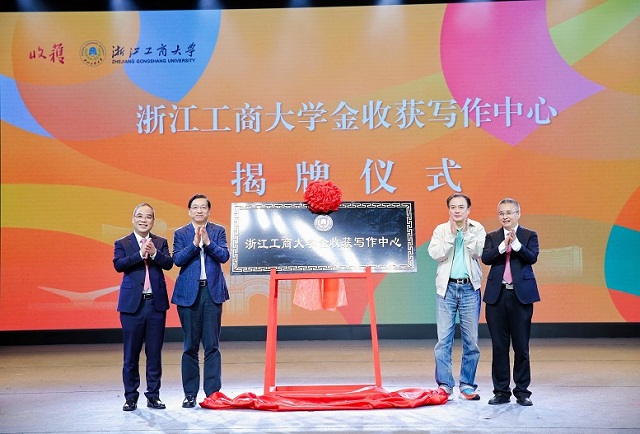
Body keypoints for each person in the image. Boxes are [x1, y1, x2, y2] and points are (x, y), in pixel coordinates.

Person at [113, 203, 173, 411]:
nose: (143, 220)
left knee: (154, 354)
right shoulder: (123, 243)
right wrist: (139, 254)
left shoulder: (160, 242)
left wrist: (155, 253)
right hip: (132, 306)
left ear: (153, 221)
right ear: (133, 219)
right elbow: (119, 265)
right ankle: (131, 397)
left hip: (156, 305)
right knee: (131, 354)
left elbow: (168, 263)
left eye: (148, 217)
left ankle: (153, 396)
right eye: (140, 216)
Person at [172, 193, 230, 408]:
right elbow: (177, 260)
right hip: (188, 295)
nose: (199, 210)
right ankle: (190, 394)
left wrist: (208, 243)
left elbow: (224, 256)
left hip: (211, 292)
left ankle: (213, 393)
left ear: (208, 211)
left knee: (212, 345)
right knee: (190, 346)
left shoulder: (218, 231)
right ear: (189, 211)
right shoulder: (181, 233)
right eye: (195, 207)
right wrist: (195, 244)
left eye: (203, 207)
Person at [481, 198, 540, 406]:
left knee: (521, 347)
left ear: (518, 214)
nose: (505, 216)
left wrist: (515, 245)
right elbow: (486, 258)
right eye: (501, 213)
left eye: (509, 212)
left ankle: (522, 391)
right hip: (496, 297)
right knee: (499, 347)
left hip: (520, 296)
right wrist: (502, 246)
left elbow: (532, 257)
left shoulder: (529, 235)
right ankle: (501, 392)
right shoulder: (492, 236)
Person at [427, 193, 486, 401]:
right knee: (444, 340)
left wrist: (466, 234)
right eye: (453, 207)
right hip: (447, 289)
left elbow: (480, 252)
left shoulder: (477, 228)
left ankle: (467, 384)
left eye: (461, 207)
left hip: (470, 288)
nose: (457, 210)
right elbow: (436, 254)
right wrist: (451, 236)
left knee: (471, 340)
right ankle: (445, 385)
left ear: (468, 210)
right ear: (449, 210)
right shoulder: (441, 230)